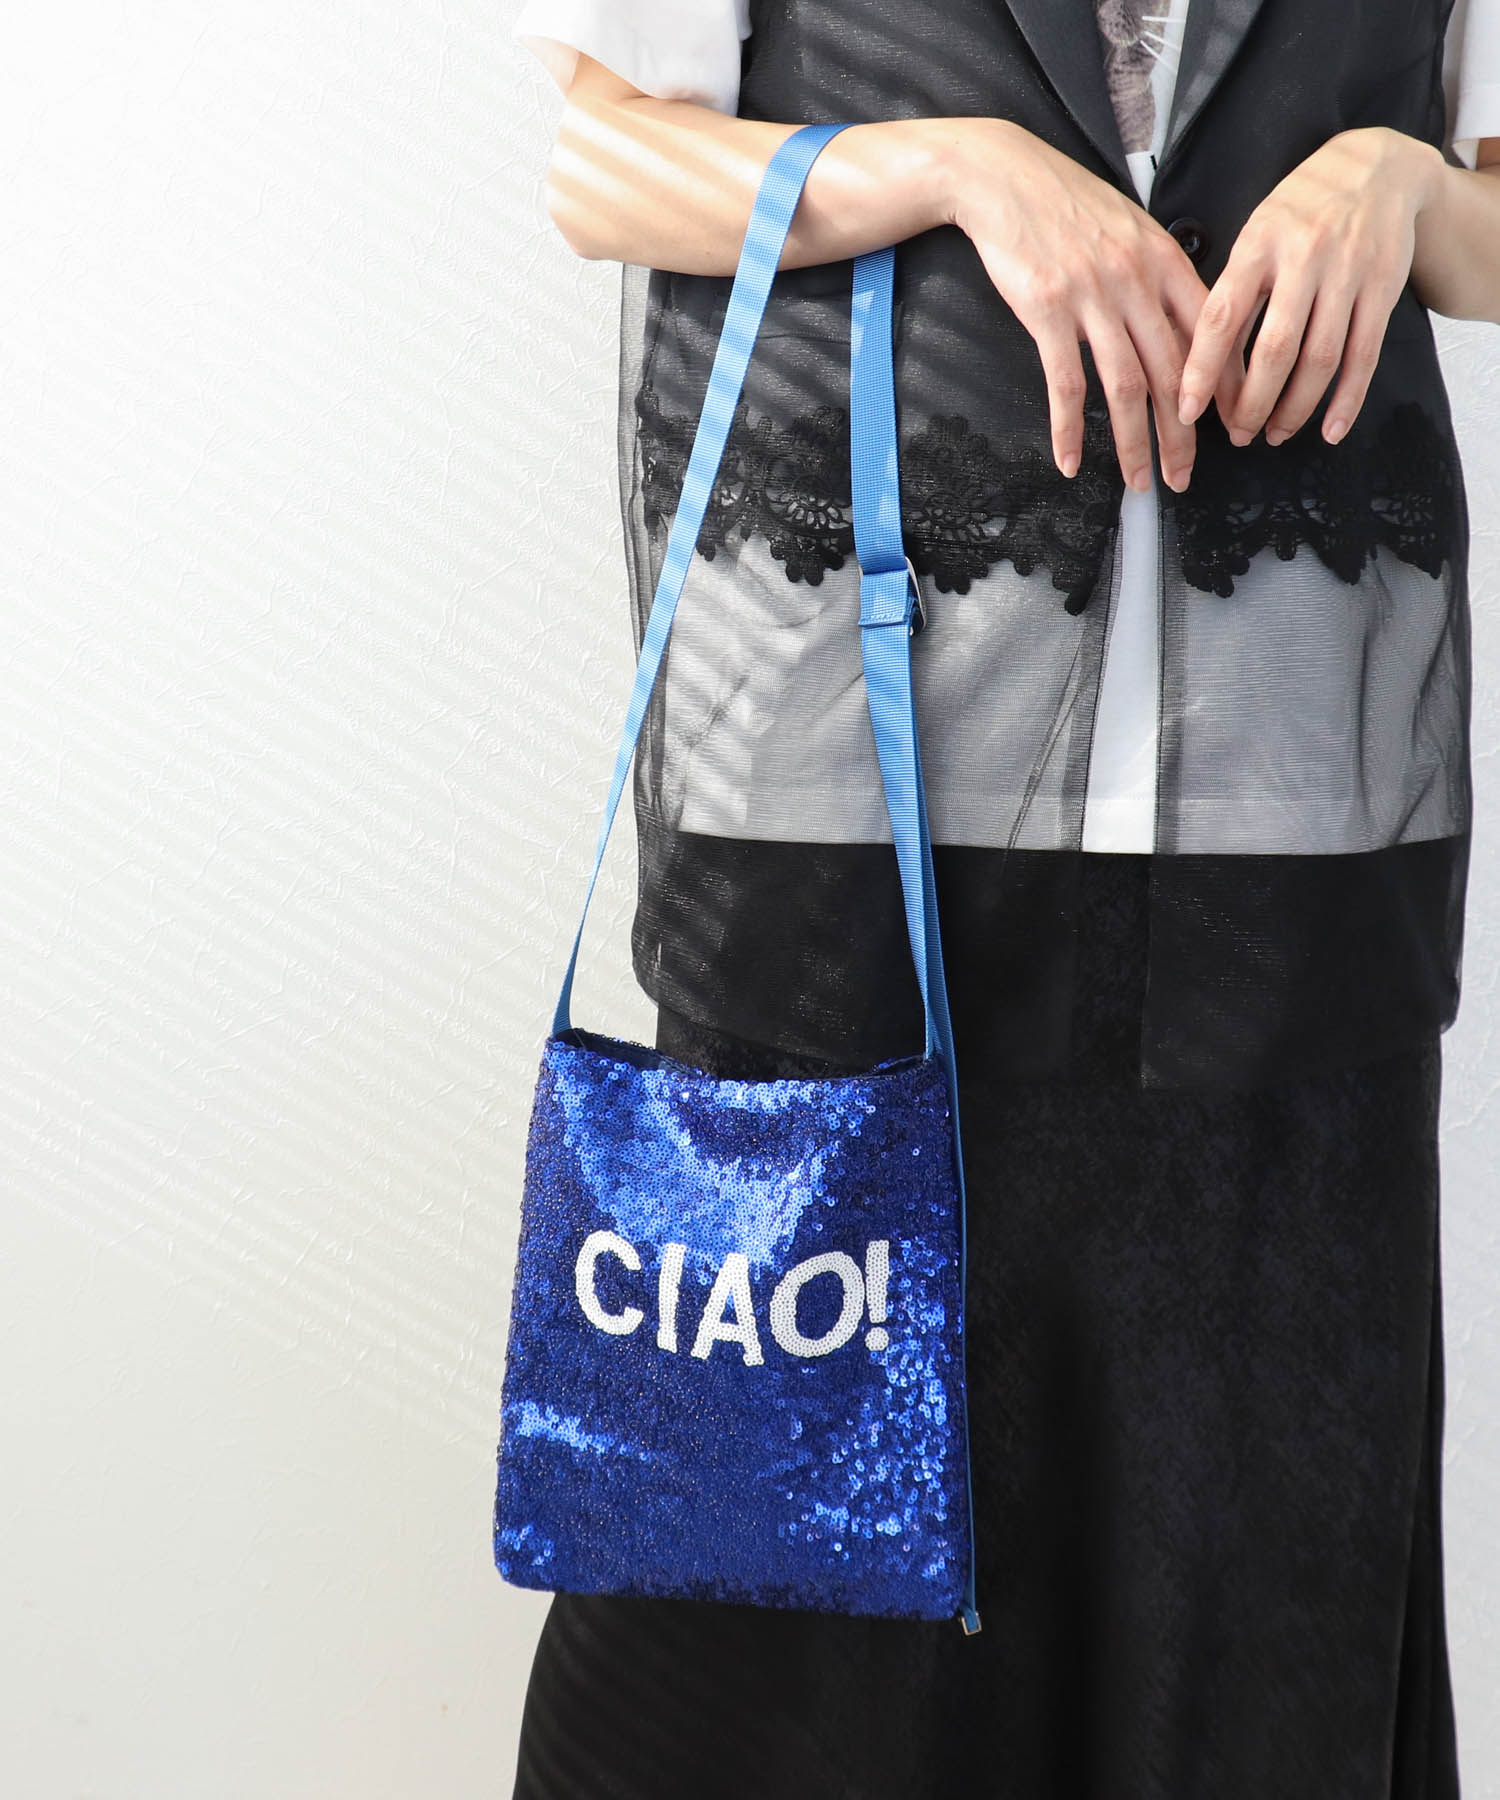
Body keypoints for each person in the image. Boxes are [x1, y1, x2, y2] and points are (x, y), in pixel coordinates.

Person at [502, 2, 1500, 1794]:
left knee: (1248, 1646)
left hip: (1291, 848)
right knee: (793, 1672)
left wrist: (1408, 190)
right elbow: (600, 160)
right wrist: (953, 169)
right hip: (846, 839)